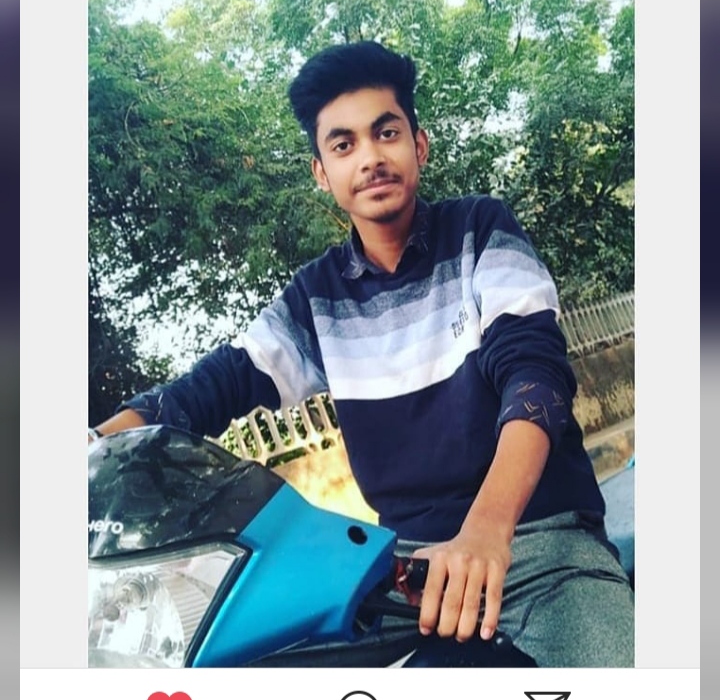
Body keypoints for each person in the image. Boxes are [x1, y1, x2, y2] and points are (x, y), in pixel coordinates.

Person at [90, 41, 634, 666]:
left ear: (419, 145)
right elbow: (219, 383)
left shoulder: (481, 231)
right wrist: (98, 441)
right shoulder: (316, 297)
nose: (371, 157)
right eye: (344, 145)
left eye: (386, 133)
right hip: (405, 574)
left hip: (540, 548)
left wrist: (487, 531)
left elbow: (535, 375)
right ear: (322, 173)